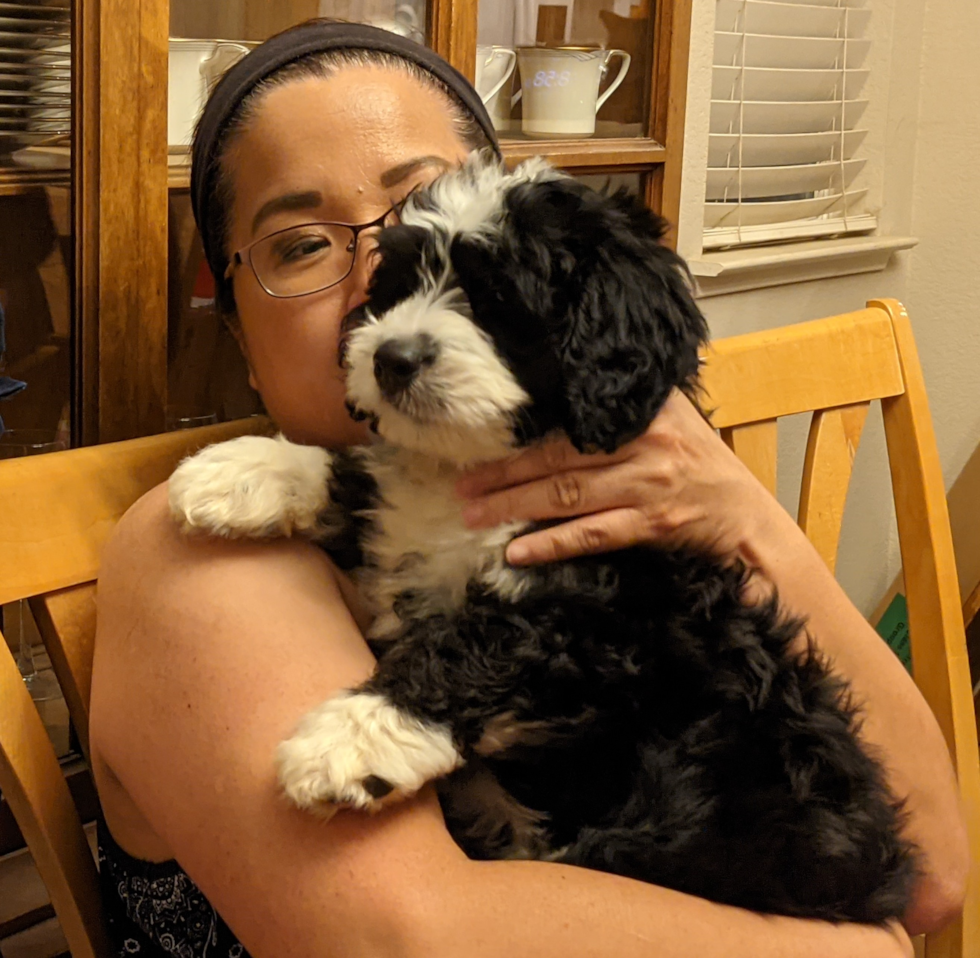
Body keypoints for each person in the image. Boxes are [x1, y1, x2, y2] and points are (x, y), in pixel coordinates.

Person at [89, 19, 967, 958]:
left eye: (420, 214)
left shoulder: (610, 509)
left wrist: (752, 525)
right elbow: (407, 939)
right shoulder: (208, 556)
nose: (376, 295)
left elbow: (935, 870)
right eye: (301, 246)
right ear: (235, 338)